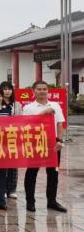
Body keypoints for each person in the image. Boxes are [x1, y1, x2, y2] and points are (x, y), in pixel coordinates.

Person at [23, 80, 67, 213]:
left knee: (53, 173)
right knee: (32, 172)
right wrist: (43, 112)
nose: (42, 91)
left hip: (53, 143)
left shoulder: (55, 105)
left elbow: (60, 124)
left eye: (44, 89)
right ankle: (30, 201)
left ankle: (52, 201)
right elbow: (27, 124)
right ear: (33, 91)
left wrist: (59, 141)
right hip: (35, 142)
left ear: (48, 91)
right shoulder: (28, 107)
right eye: (39, 89)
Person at [0, 81, 22, 199]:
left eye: (9, 89)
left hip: (14, 136)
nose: (7, 91)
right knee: (3, 163)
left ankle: (12, 189)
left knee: (13, 165)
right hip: (1, 137)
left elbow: (21, 119)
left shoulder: (17, 105)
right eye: (4, 89)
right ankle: (2, 188)